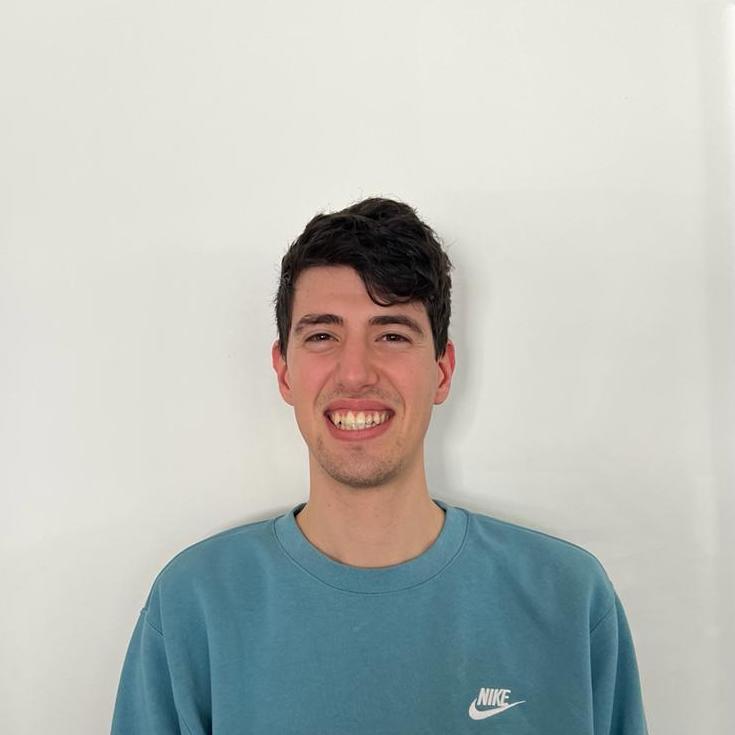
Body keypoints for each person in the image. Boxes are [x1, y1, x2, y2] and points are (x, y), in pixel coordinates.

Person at [111, 197, 648, 734]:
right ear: (284, 371)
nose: (355, 372)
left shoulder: (567, 601)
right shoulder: (195, 607)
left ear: (441, 370)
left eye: (391, 334)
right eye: (323, 335)